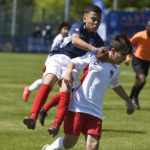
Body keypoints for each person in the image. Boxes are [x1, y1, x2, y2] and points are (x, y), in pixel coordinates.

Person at [42, 34, 135, 150]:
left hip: (95, 111)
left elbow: (116, 85)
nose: (125, 58)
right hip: (78, 106)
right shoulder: (96, 56)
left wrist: (128, 101)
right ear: (113, 50)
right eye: (123, 55)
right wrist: (68, 72)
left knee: (93, 145)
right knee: (69, 142)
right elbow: (73, 62)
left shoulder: (116, 68)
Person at [23, 5, 108, 130]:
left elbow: (102, 55)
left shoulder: (97, 39)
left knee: (66, 90)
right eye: (93, 19)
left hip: (72, 63)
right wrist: (96, 50)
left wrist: (107, 54)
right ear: (84, 19)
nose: (96, 23)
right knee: (49, 81)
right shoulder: (78, 26)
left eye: (98, 21)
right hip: (58, 57)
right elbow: (75, 41)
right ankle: (33, 117)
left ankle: (56, 125)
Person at [22, 21, 70, 102]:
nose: (66, 31)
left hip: (59, 62)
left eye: (68, 29)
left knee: (59, 82)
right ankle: (28, 89)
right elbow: (52, 49)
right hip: (52, 62)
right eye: (65, 29)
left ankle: (62, 100)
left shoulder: (66, 38)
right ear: (60, 30)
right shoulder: (59, 38)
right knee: (45, 80)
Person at [125, 20, 150, 109]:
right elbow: (129, 45)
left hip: (147, 61)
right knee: (142, 80)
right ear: (147, 27)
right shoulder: (140, 35)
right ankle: (135, 99)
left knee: (138, 81)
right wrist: (128, 57)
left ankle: (130, 99)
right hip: (137, 60)